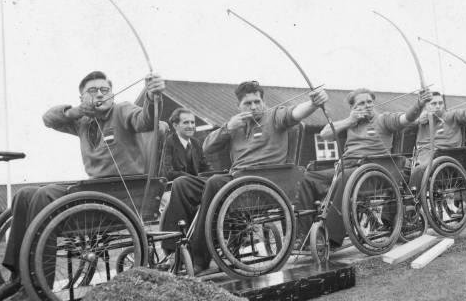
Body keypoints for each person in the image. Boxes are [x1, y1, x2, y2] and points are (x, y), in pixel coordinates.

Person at [0, 70, 165, 301]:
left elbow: (146, 120)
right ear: (82, 97)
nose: (100, 94)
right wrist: (76, 111)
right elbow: (48, 118)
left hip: (120, 197)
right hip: (94, 195)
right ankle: (19, 278)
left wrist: (152, 96)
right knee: (24, 195)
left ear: (112, 93)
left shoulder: (123, 110)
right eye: (92, 91)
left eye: (105, 90)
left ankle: (36, 288)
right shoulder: (82, 121)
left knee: (45, 195)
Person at [188, 80, 328, 274]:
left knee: (214, 183)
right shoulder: (235, 124)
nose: (254, 107)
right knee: (183, 184)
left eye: (257, 101)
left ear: (263, 102)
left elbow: (294, 113)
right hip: (236, 180)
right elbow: (207, 148)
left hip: (264, 182)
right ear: (238, 106)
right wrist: (228, 127)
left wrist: (313, 103)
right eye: (248, 103)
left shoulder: (275, 116)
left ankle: (198, 259)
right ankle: (174, 249)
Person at [295, 87, 432, 248]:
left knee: (344, 178)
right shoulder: (351, 123)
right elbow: (325, 134)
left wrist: (419, 104)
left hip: (372, 171)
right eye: (361, 103)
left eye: (369, 102)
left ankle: (330, 237)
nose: (367, 105)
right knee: (309, 179)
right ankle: (302, 235)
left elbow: (406, 118)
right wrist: (349, 121)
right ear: (353, 108)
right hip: (347, 168)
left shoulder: (384, 119)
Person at [408, 91, 466, 192]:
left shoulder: (452, 116)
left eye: (440, 103)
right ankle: (411, 203)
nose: (438, 106)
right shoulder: (421, 120)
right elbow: (405, 120)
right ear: (426, 107)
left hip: (450, 161)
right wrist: (418, 119)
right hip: (426, 159)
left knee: (419, 170)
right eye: (433, 104)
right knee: (416, 170)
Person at [160, 107, 210, 255]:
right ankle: (173, 247)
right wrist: (191, 179)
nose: (191, 126)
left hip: (192, 187)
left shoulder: (195, 143)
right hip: (171, 187)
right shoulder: (169, 143)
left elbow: (204, 166)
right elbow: (167, 172)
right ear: (175, 126)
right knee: (176, 201)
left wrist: (212, 174)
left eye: (193, 122)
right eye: (186, 122)